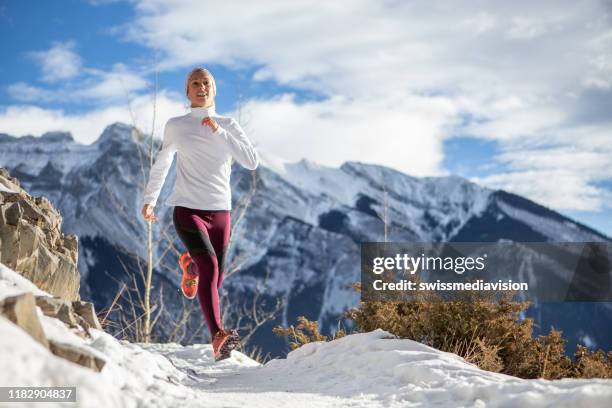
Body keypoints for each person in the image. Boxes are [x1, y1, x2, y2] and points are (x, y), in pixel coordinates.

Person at [141, 67, 259, 361]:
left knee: (214, 279)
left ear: (214, 90)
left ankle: (190, 267)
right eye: (195, 83)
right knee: (211, 268)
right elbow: (163, 162)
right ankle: (218, 335)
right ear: (187, 91)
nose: (201, 87)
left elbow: (252, 161)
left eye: (206, 83)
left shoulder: (228, 124)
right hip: (187, 209)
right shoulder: (177, 125)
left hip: (221, 211)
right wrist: (150, 200)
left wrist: (220, 133)